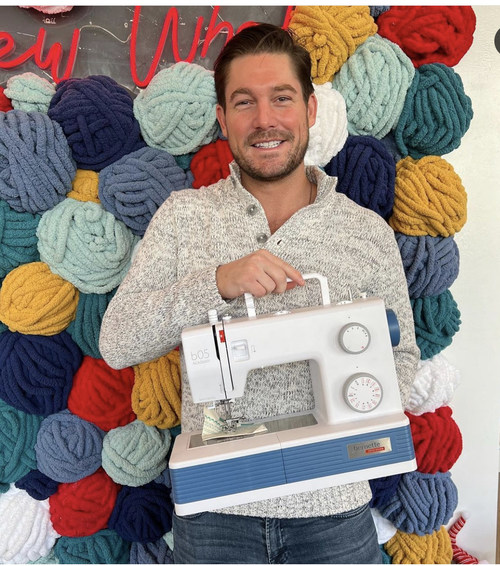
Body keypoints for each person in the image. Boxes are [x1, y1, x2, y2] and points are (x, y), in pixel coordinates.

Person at [99, 23, 419, 564]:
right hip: (216, 516)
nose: (265, 120)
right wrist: (216, 283)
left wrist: (359, 388)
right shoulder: (183, 218)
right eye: (244, 102)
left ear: (311, 110)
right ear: (222, 118)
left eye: (282, 98)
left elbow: (403, 356)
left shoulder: (366, 232)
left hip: (336, 513)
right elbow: (116, 342)